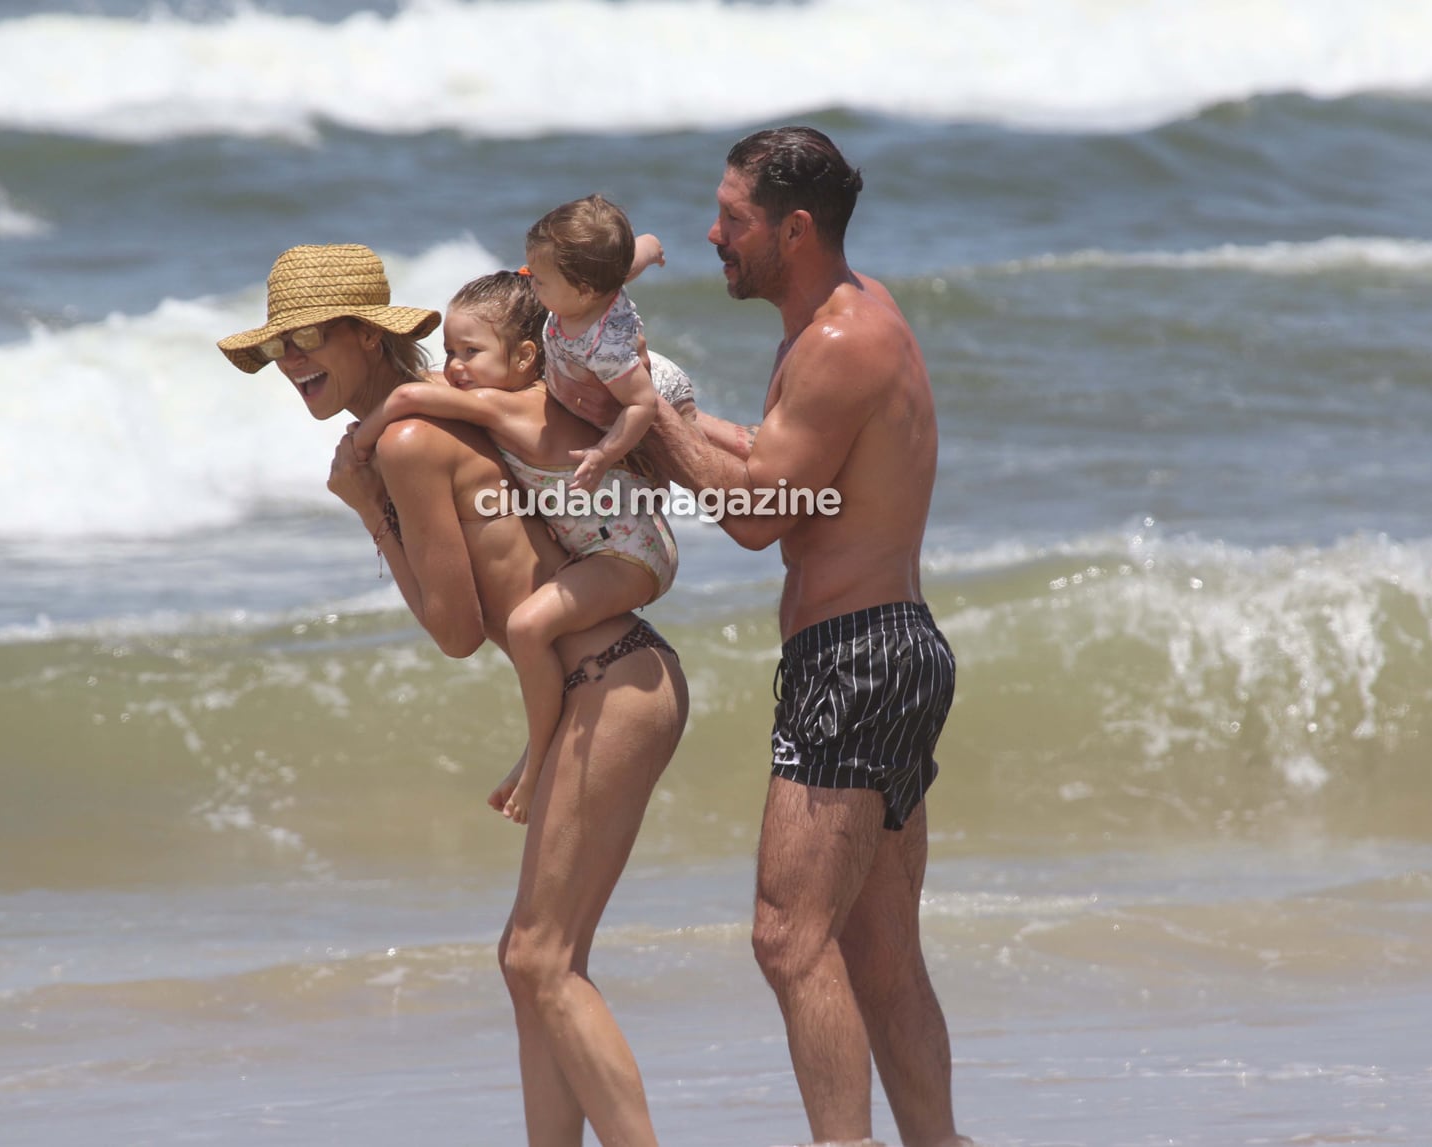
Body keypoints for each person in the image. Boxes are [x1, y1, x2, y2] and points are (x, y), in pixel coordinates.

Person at [545, 127, 969, 1146]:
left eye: (733, 218)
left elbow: (750, 514)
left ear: (795, 228)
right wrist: (669, 415)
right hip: (896, 648)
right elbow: (780, 463)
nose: (711, 234)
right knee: (876, 949)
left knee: (787, 937)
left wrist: (647, 408)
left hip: (854, 658)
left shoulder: (835, 342)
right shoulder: (846, 319)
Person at [216, 243, 688, 1146]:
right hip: (616, 670)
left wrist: (367, 509)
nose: (291, 362)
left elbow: (456, 630)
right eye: (278, 347)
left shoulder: (404, 440)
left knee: (537, 957)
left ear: (365, 334)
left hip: (608, 679)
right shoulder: (461, 396)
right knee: (540, 965)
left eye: (309, 337)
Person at [349, 268, 679, 824]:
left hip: (628, 555)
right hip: (611, 546)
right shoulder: (515, 394)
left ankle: (535, 761)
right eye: (449, 351)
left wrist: (357, 451)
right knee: (531, 630)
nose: (454, 368)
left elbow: (409, 392)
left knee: (528, 627)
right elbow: (431, 385)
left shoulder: (513, 406)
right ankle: (536, 748)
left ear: (526, 358)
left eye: (469, 352)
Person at [523, 194, 697, 491]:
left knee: (667, 463)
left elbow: (642, 404)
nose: (530, 282)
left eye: (539, 279)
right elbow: (634, 258)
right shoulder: (600, 279)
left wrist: (604, 454)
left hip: (660, 389)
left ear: (583, 291)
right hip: (626, 373)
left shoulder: (605, 348)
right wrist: (652, 247)